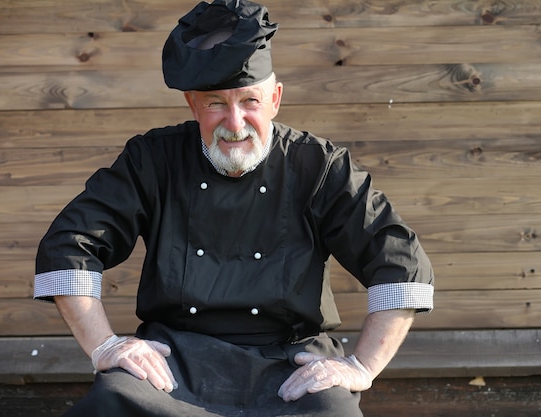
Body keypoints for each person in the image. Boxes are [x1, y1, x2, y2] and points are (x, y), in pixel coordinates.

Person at [34, 1, 434, 416]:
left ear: (275, 99)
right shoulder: (152, 161)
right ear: (193, 105)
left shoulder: (319, 165)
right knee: (112, 400)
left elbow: (401, 264)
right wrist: (105, 345)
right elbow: (69, 246)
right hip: (173, 362)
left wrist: (360, 366)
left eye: (250, 102)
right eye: (215, 104)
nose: (235, 123)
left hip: (289, 364)